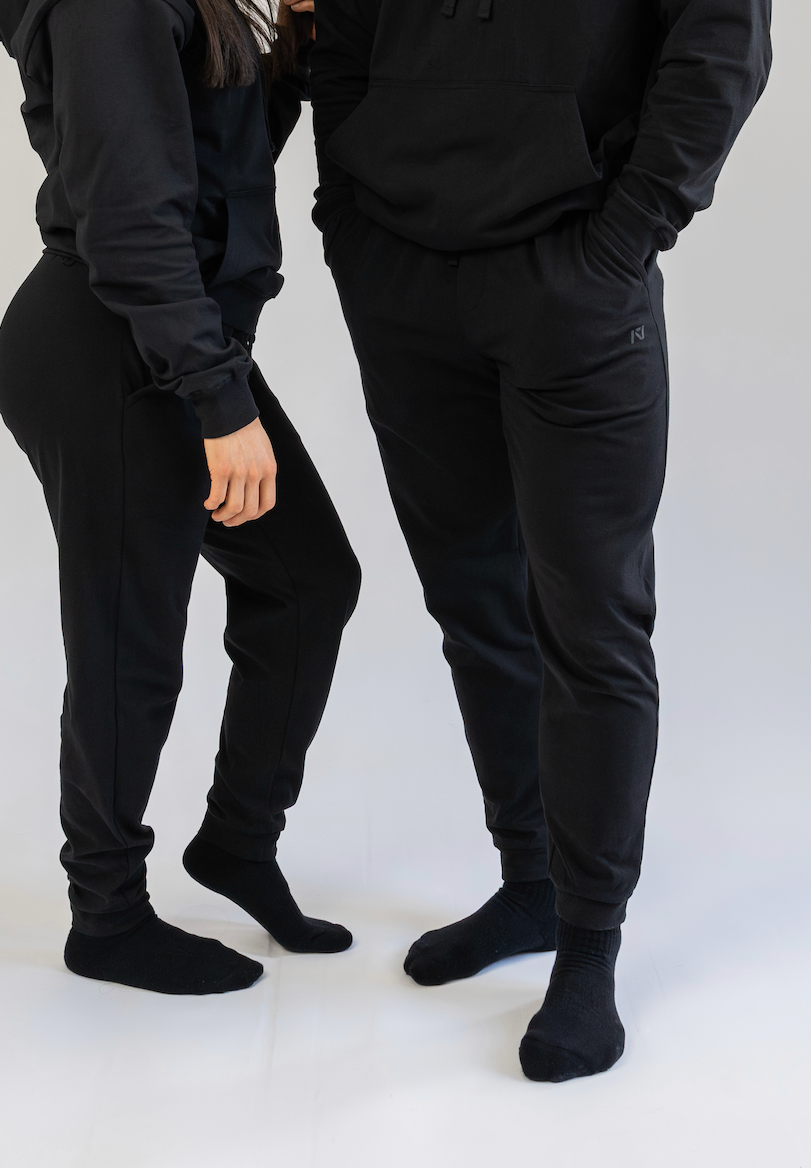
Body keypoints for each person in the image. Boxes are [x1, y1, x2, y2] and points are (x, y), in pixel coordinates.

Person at [311, 0, 771, 1078]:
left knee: (592, 623)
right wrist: (350, 219)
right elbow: (340, 30)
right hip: (402, 278)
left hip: (574, 282)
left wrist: (621, 241)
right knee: (472, 599)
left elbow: (722, 47)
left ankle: (589, 947)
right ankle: (529, 883)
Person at [0, 0, 361, 996]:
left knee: (309, 579)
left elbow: (213, 172)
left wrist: (290, 58)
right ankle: (106, 916)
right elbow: (131, 217)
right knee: (128, 643)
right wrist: (221, 403)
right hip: (107, 348)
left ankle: (237, 841)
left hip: (173, 343)